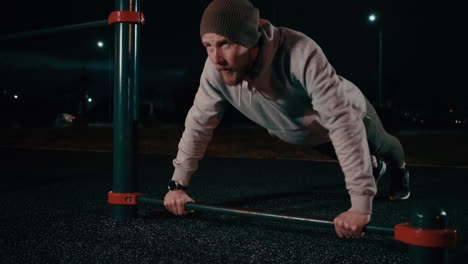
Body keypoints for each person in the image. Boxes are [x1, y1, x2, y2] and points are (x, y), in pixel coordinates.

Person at [163, 0, 410, 239]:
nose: (216, 58)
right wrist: (178, 186)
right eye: (208, 45)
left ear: (251, 39)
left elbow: (342, 123)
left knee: (382, 145)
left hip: (350, 114)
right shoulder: (216, 69)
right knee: (338, 151)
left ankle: (399, 172)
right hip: (300, 132)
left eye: (225, 43)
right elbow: (199, 124)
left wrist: (360, 206)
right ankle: (374, 167)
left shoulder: (300, 52)